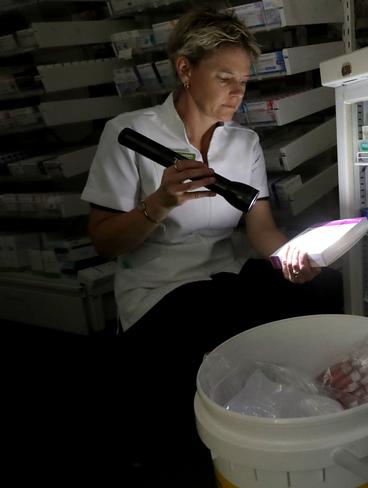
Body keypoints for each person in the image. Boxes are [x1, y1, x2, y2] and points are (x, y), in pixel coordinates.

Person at [80, 5, 342, 473]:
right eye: (225, 78)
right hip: (159, 289)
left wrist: (291, 259)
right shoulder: (129, 134)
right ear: (185, 69)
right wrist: (159, 203)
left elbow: (260, 229)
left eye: (243, 80)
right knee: (206, 328)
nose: (238, 93)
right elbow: (104, 242)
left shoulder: (243, 145)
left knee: (326, 289)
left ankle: (317, 421)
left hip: (227, 276)